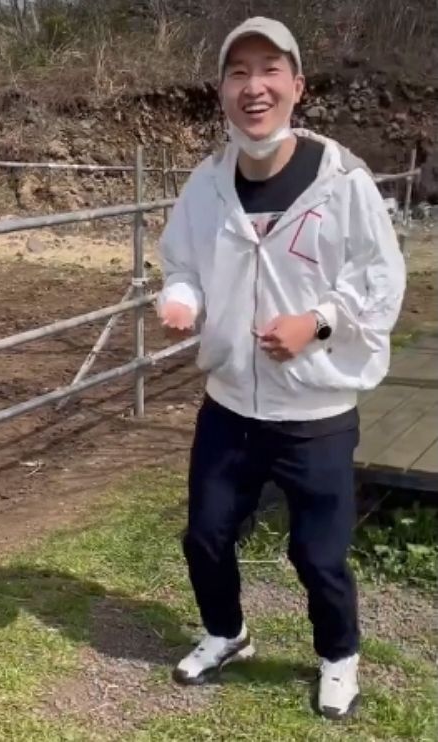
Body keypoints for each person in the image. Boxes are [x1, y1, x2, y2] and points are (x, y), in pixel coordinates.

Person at [156, 16, 406, 720]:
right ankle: (226, 633)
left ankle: (337, 658)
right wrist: (181, 298)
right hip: (230, 403)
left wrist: (316, 325)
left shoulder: (342, 180)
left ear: (297, 85)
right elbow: (183, 264)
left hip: (315, 414)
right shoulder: (207, 185)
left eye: (270, 70)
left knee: (317, 555)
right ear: (222, 91)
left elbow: (379, 283)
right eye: (239, 72)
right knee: (205, 534)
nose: (253, 86)